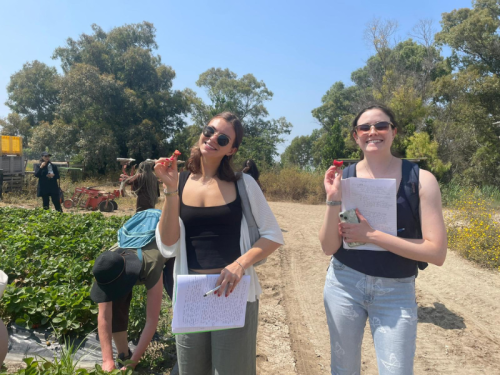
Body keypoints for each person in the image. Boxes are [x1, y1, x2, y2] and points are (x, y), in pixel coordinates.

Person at [319, 105, 447, 375]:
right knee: (344, 370)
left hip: (396, 291)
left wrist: (372, 235)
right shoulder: (346, 178)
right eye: (364, 128)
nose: (372, 132)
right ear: (356, 136)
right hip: (344, 284)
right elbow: (328, 247)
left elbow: (436, 253)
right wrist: (333, 198)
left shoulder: (421, 181)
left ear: (394, 132)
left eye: (381, 125)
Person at [154, 111, 284, 375]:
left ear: (231, 150)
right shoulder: (178, 182)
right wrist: (169, 190)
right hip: (190, 292)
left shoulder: (243, 184)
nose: (212, 138)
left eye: (223, 138)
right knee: (191, 370)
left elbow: (273, 235)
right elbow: (168, 243)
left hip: (232, 292)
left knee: (232, 370)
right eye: (209, 130)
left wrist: (239, 264)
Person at [91, 242, 165, 371]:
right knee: (115, 306)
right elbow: (104, 316)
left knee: (178, 295)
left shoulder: (152, 264)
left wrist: (133, 363)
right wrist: (107, 360)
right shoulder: (107, 267)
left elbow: (151, 321)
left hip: (169, 248)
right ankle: (124, 355)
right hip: (127, 262)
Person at [121, 161, 175, 299]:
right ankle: (151, 234)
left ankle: (143, 240)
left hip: (142, 201)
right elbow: (157, 191)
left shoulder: (141, 176)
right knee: (151, 220)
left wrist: (125, 177)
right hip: (151, 200)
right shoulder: (152, 177)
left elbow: (128, 182)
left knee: (142, 221)